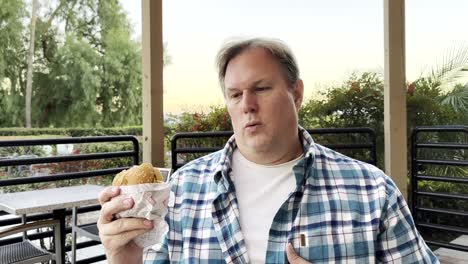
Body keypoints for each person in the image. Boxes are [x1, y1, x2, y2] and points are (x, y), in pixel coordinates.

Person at [97, 37, 439, 264]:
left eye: (261, 88)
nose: (247, 105)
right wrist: (123, 257)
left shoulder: (371, 192)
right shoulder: (183, 190)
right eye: (234, 94)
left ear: (297, 93)